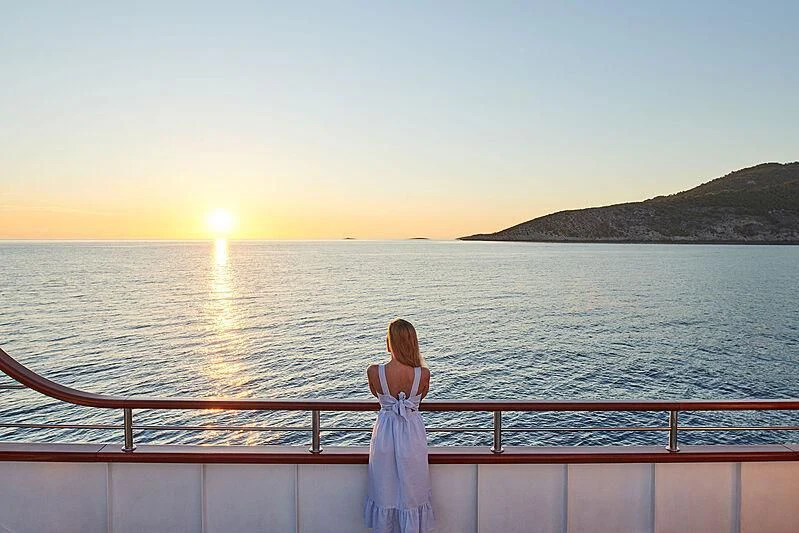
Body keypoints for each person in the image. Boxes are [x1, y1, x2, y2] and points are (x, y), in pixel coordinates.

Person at [364, 318, 435, 533]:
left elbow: (376, 394)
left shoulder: (374, 372)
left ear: (390, 342)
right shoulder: (422, 374)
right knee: (413, 488)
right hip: (412, 433)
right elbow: (420, 399)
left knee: (384, 487)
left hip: (385, 433)